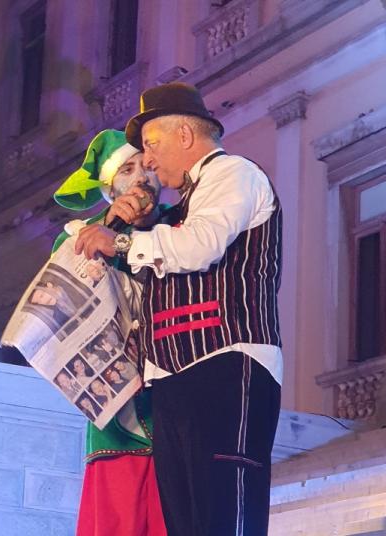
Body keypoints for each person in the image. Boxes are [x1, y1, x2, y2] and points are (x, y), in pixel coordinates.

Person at [75, 82, 283, 536]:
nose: (148, 161)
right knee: (185, 523)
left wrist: (121, 241)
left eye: (151, 145)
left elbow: (199, 246)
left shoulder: (233, 173)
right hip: (171, 379)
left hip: (226, 365)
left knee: (224, 516)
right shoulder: (182, 206)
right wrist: (117, 226)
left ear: (185, 135)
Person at [53, 129, 167, 536]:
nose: (141, 178)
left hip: (175, 400)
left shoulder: (181, 225)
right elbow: (60, 296)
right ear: (109, 188)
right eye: (127, 170)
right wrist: (110, 226)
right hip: (117, 415)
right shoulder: (83, 235)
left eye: (147, 166)